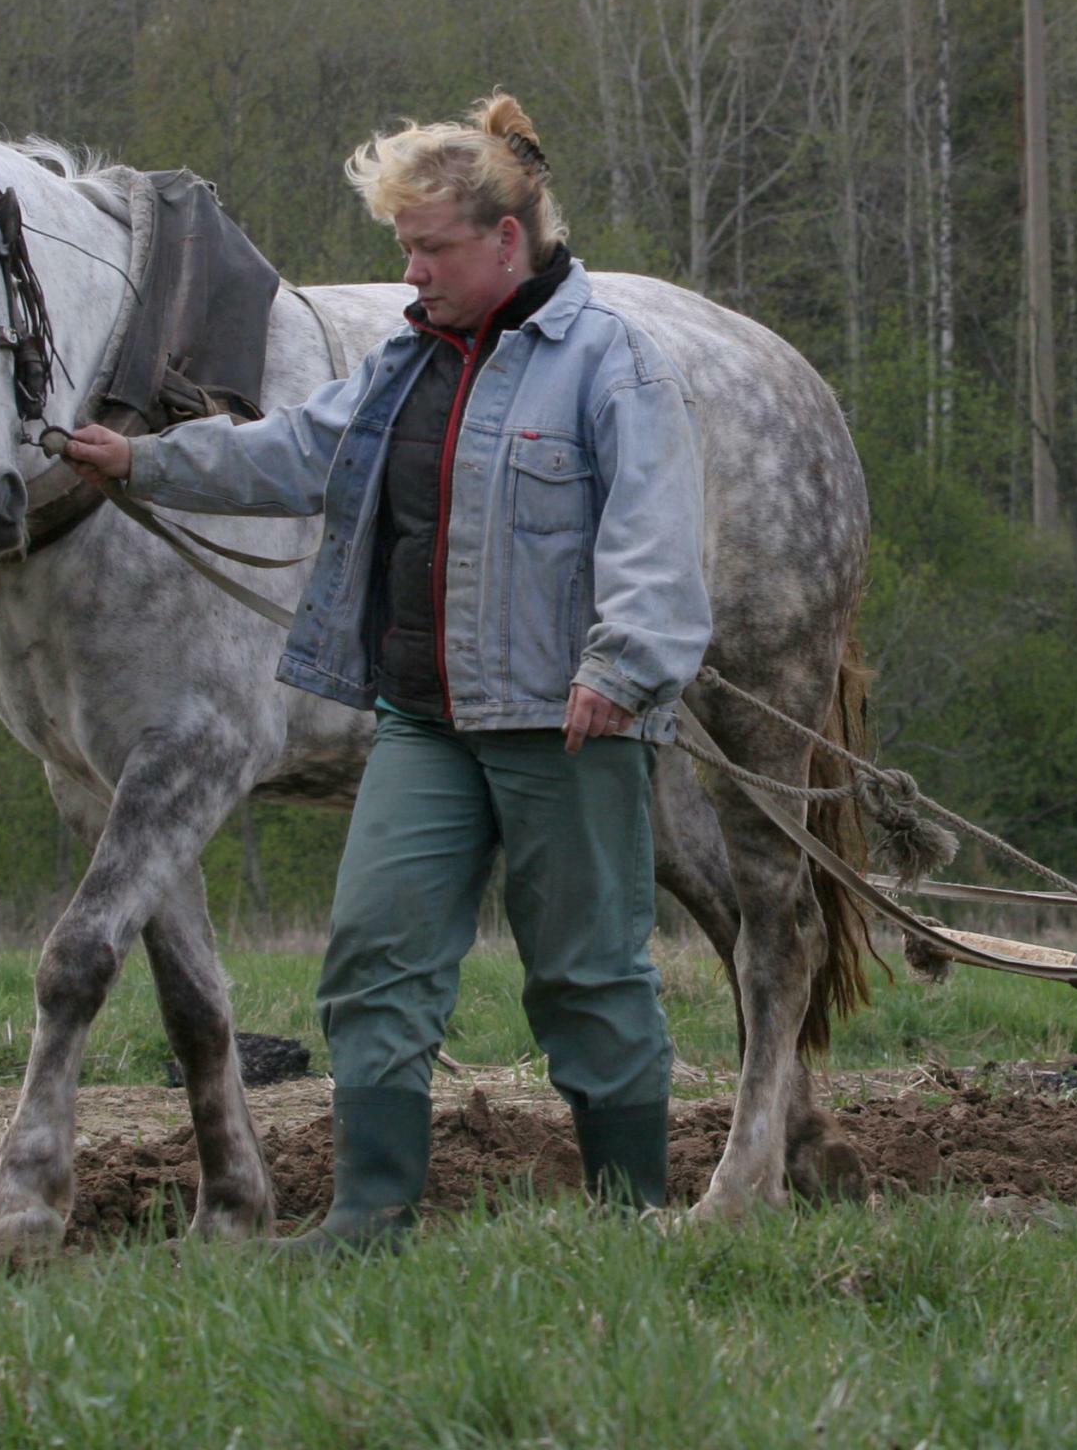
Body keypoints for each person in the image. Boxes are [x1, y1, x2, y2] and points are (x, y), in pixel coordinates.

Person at [60, 92, 709, 1249]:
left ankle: (629, 1217)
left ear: (506, 241)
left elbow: (658, 546)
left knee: (588, 977)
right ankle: (369, 1215)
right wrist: (144, 463)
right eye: (403, 248)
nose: (411, 273)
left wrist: (625, 667)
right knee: (373, 961)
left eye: (430, 248)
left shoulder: (614, 365)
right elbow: (296, 448)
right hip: (422, 721)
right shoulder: (409, 359)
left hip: (568, 723)